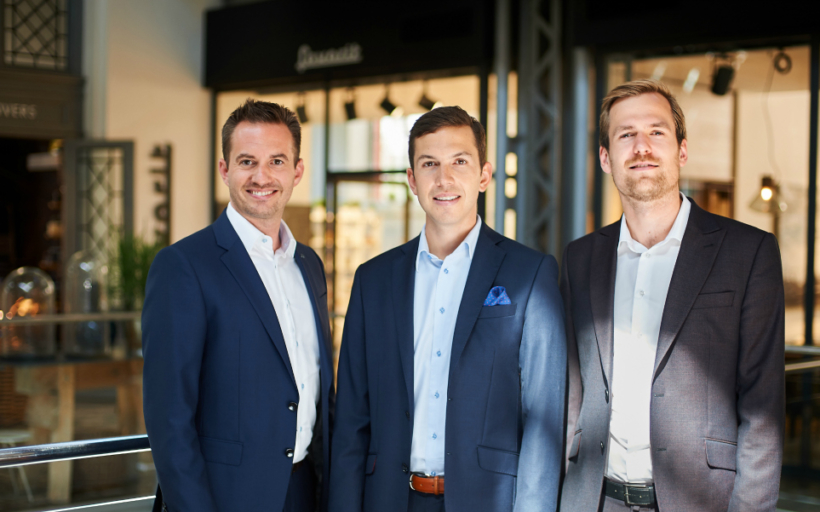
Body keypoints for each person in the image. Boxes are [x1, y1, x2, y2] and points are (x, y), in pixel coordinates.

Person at [559, 79, 784, 512]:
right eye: (626, 134)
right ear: (605, 158)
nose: (641, 147)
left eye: (656, 132)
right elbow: (571, 395)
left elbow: (762, 409)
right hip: (593, 501)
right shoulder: (579, 258)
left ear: (682, 150)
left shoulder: (748, 252)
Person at [328, 106, 566, 512]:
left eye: (459, 162)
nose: (444, 179)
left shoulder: (530, 274)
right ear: (411, 179)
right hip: (390, 500)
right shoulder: (373, 280)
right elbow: (352, 420)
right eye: (429, 164)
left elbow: (544, 421)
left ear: (484, 175)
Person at [142, 99, 334, 512]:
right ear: (224, 169)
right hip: (225, 497)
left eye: (277, 161)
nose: (261, 177)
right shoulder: (184, 266)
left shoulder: (310, 265)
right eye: (247, 161)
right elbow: (169, 417)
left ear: (297, 171)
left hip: (306, 490)